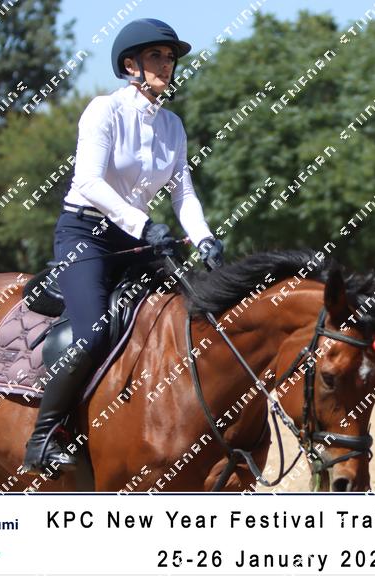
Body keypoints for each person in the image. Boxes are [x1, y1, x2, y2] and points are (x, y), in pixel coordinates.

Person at [22, 18, 224, 475]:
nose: (166, 65)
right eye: (156, 56)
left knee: (193, 313)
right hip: (86, 234)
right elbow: (88, 182)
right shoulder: (103, 110)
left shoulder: (172, 125)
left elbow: (183, 195)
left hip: (138, 239)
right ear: (130, 65)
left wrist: (205, 237)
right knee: (93, 331)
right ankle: (43, 436)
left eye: (170, 58)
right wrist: (143, 223)